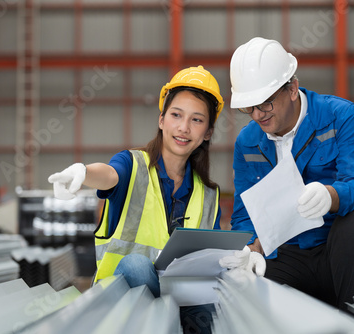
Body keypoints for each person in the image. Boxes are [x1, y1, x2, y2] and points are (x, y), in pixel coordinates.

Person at [48, 65, 223, 333]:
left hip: (181, 311)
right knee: (136, 265)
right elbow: (109, 175)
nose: (184, 127)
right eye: (176, 115)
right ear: (161, 119)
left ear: (208, 132)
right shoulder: (133, 165)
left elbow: (208, 265)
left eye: (197, 120)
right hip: (118, 309)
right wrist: (83, 173)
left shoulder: (209, 196)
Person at [225, 37, 354, 310]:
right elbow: (244, 214)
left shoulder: (341, 117)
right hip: (292, 257)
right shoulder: (247, 142)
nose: (257, 115)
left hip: (348, 254)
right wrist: (250, 248)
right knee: (246, 282)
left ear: (292, 88)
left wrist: (332, 196)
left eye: (265, 103)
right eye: (249, 108)